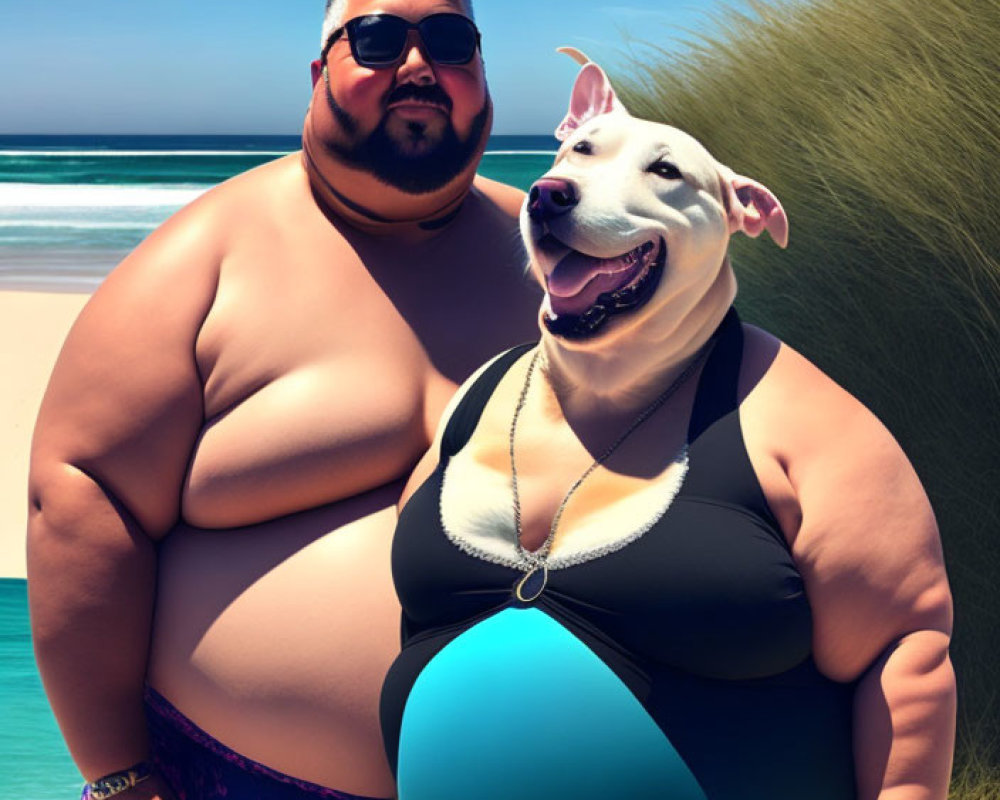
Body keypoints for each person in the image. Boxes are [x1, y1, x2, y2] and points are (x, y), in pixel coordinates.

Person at [27, 1, 539, 798]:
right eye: (376, 40)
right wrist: (119, 778)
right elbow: (81, 500)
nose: (416, 65)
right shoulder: (204, 259)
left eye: (447, 40)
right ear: (317, 72)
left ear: (477, 70)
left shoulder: (564, 264)